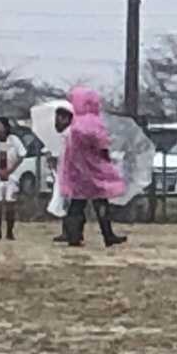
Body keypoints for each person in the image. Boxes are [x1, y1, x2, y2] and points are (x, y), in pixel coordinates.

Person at [58, 87, 128, 249]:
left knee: (77, 203)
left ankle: (73, 236)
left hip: (76, 169)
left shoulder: (73, 122)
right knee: (100, 201)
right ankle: (108, 234)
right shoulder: (95, 122)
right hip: (95, 168)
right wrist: (106, 162)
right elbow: (102, 143)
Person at [46, 101, 75, 242]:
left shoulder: (71, 134)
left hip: (71, 174)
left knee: (70, 204)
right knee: (65, 203)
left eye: (60, 118)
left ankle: (72, 232)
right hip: (64, 173)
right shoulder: (64, 135)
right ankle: (68, 231)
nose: (57, 121)